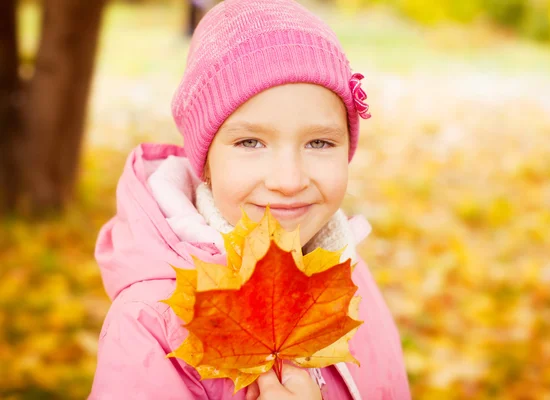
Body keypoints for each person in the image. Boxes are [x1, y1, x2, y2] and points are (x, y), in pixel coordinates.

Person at [90, 0, 411, 399]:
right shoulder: (154, 319)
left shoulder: (346, 271)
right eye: (250, 142)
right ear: (205, 162)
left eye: (319, 142)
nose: (289, 180)